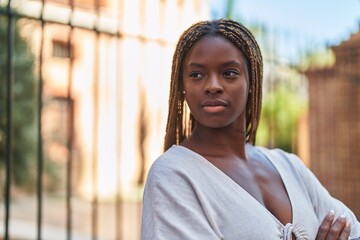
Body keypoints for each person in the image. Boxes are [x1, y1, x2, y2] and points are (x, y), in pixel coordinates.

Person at [140, 18, 360, 240]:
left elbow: (353, 230)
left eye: (229, 73)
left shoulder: (289, 166)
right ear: (183, 87)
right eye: (196, 74)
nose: (212, 86)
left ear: (251, 82)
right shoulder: (173, 175)